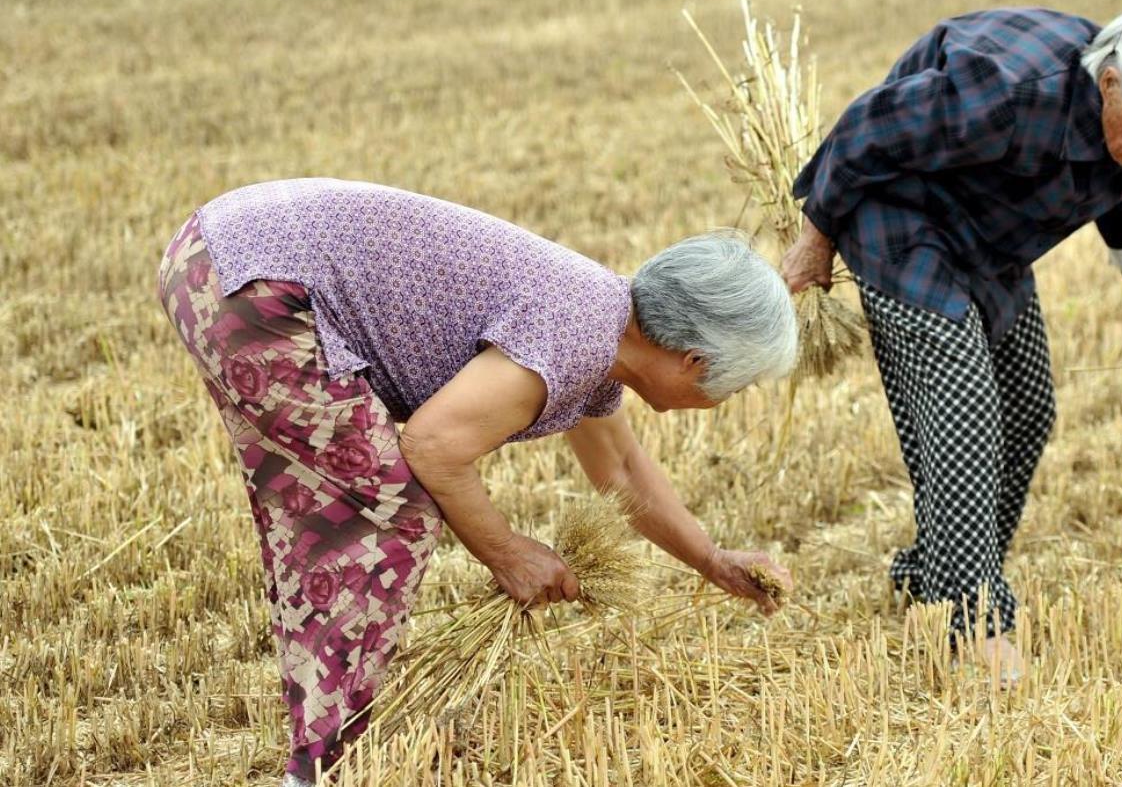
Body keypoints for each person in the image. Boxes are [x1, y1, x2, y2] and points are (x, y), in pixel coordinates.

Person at [156, 177, 798, 785]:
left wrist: (712, 562)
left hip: (219, 255)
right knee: (391, 514)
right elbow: (433, 446)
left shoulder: (602, 329)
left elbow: (622, 472)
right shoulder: (578, 332)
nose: (724, 398)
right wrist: (507, 552)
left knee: (331, 509)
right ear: (694, 362)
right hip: (256, 285)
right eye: (732, 384)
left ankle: (326, 750)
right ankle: (329, 764)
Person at [781, 3, 1122, 688]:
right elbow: (868, 126)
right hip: (902, 220)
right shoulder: (1005, 92)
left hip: (990, 240)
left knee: (1026, 411)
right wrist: (814, 241)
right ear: (1108, 84)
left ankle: (931, 577)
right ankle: (969, 624)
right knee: (961, 419)